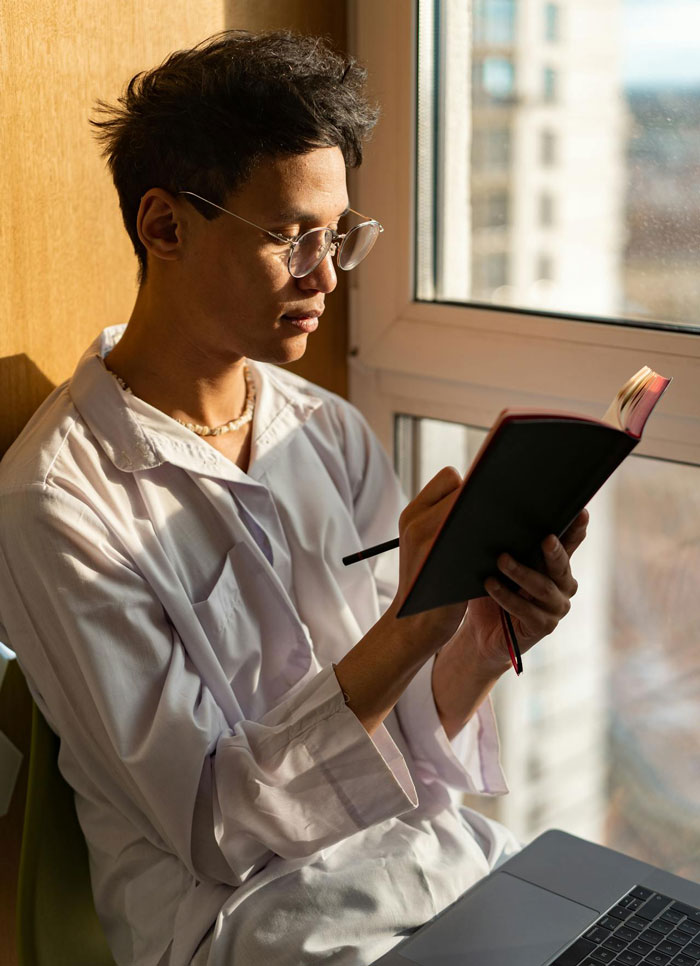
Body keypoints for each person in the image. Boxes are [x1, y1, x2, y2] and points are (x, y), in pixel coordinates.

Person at [0, 30, 587, 966]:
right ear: (165, 227)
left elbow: (404, 738)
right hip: (257, 929)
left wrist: (479, 635)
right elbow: (213, 832)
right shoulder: (57, 504)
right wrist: (410, 622)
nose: (324, 276)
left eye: (340, 235)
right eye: (291, 237)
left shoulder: (328, 432)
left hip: (433, 867)